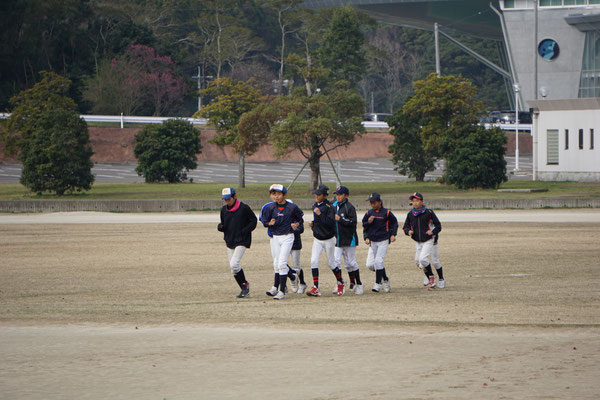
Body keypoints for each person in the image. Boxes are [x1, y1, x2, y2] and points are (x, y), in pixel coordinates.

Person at [260, 184, 304, 300]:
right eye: (273, 194)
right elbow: (264, 222)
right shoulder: (270, 208)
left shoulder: (291, 207)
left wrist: (296, 225)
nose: (276, 197)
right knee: (276, 264)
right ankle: (278, 287)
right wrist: (269, 224)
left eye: (279, 194)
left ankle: (281, 291)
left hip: (287, 237)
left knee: (281, 263)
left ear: (284, 195)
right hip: (275, 237)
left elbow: (300, 218)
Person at [217, 187, 257, 298]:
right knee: (233, 269)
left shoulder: (244, 208)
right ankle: (244, 288)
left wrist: (245, 231)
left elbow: (253, 221)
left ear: (235, 197)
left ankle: (245, 285)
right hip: (230, 240)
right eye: (225, 199)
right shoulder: (223, 210)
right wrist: (221, 227)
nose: (227, 201)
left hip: (242, 240)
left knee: (234, 264)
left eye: (229, 199)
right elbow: (224, 224)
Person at [402, 192, 443, 290]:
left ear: (422, 202)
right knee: (418, 262)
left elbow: (438, 226)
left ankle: (434, 279)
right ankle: (429, 276)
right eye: (413, 201)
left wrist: (432, 232)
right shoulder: (410, 214)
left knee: (426, 260)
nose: (415, 203)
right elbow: (405, 227)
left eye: (417, 201)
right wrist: (409, 232)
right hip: (418, 241)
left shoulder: (428, 212)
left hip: (429, 240)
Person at [306, 185, 340, 297]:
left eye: (319, 194)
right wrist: (313, 224)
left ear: (325, 196)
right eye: (315, 194)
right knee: (313, 261)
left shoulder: (329, 207)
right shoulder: (316, 205)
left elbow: (330, 223)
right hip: (318, 238)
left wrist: (320, 215)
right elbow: (319, 222)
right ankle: (316, 287)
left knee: (331, 263)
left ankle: (340, 282)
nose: (316, 196)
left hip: (329, 239)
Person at [362, 193, 398, 293]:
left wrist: (393, 234)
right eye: (370, 202)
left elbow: (394, 223)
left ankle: (377, 283)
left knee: (378, 261)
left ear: (379, 202)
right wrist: (366, 235)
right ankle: (385, 278)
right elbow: (364, 225)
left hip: (383, 240)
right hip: (373, 241)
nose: (372, 204)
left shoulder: (386, 213)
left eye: (374, 202)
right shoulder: (369, 213)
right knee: (370, 264)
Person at [332, 185, 362, 296]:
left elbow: (353, 222)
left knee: (350, 262)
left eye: (340, 195)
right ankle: (340, 282)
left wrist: (341, 220)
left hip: (349, 238)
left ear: (346, 195)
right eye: (337, 195)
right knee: (335, 261)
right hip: (337, 239)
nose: (338, 197)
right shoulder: (333, 206)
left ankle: (358, 283)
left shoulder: (350, 207)